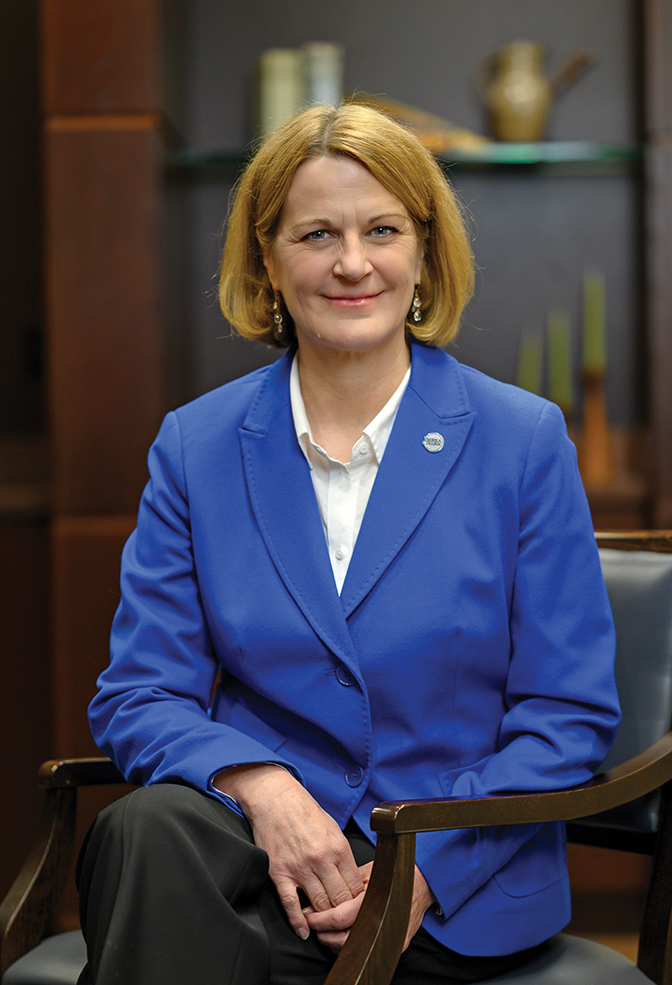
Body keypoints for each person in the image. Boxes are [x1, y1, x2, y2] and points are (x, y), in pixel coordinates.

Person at [76, 103, 620, 985]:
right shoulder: (196, 445)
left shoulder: (522, 440)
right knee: (144, 832)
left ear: (423, 253)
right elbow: (141, 693)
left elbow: (568, 717)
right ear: (268, 260)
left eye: (382, 230)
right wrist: (263, 786)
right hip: (254, 868)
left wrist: (417, 877)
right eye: (317, 233)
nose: (353, 263)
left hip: (451, 896)